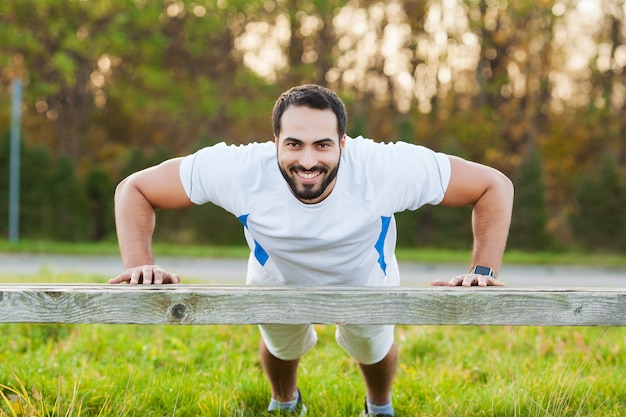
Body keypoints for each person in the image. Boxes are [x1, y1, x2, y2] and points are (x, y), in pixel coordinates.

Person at [111, 84, 514, 416]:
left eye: (322, 145)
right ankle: (286, 405)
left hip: (364, 277)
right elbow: (136, 189)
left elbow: (492, 185)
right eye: (294, 145)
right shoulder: (238, 169)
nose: (308, 161)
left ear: (343, 142)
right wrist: (139, 265)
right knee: (280, 347)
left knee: (373, 349)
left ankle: (378, 408)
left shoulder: (387, 166)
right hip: (276, 277)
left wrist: (482, 270)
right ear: (275, 143)